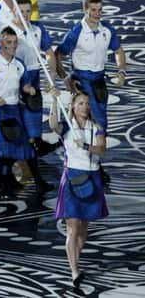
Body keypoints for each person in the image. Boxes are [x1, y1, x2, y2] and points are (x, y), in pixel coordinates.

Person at [55, 0, 125, 184]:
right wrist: (65, 78)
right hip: (82, 83)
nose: (97, 14)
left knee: (100, 124)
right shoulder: (76, 31)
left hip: (99, 82)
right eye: (93, 10)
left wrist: (121, 72)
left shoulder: (107, 30)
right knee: (80, 123)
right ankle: (75, 163)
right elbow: (58, 54)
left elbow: (119, 51)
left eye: (100, 10)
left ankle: (94, 163)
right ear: (84, 9)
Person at [0, 26, 51, 198]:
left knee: (25, 148)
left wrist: (29, 89)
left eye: (15, 42)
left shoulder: (19, 64)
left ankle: (38, 182)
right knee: (5, 151)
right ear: (1, 43)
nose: (13, 46)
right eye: (9, 42)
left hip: (13, 109)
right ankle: (1, 178)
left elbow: (24, 84)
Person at [49, 91, 107, 288]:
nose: (85, 106)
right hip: (72, 177)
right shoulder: (66, 126)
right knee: (72, 227)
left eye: (87, 103)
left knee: (83, 228)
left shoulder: (96, 127)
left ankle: (76, 259)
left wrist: (86, 146)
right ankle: (74, 271)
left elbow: (102, 149)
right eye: (80, 103)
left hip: (92, 177)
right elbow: (53, 125)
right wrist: (54, 103)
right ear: (73, 106)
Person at [10, 0, 59, 157]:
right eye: (21, 11)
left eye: (28, 11)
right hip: (14, 78)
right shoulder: (7, 32)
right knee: (15, 118)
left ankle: (35, 143)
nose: (25, 15)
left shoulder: (37, 29)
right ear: (13, 11)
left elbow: (50, 53)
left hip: (34, 75)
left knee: (34, 111)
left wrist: (51, 74)